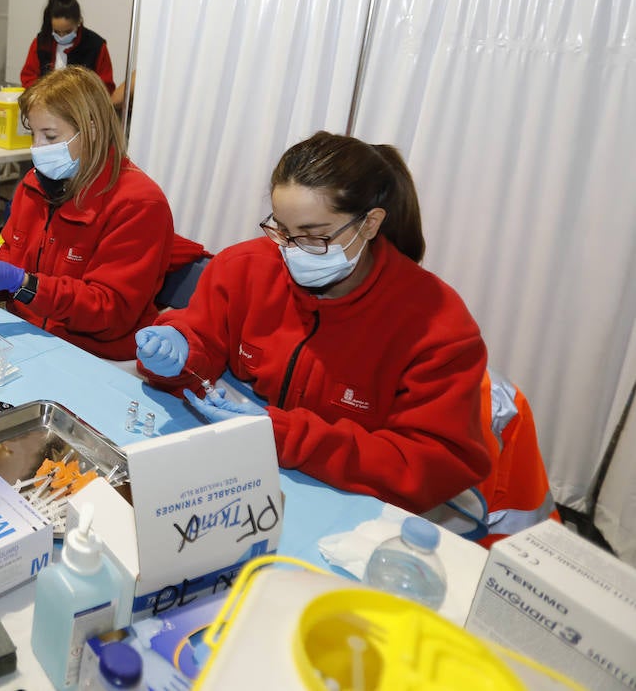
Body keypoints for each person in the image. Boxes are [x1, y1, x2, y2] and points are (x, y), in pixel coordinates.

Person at [135, 131, 493, 515]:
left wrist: (286, 436)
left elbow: (433, 464)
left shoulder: (435, 323)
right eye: (282, 231)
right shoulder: (245, 268)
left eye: (313, 236)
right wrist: (182, 347)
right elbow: (205, 338)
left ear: (369, 224)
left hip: (355, 502)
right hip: (250, 476)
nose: (291, 251)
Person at [0, 66, 180, 360]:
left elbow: (109, 311)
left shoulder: (138, 203)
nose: (37, 148)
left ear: (92, 130)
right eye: (33, 135)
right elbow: (17, 257)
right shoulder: (35, 185)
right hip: (28, 336)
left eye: (49, 136)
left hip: (91, 355)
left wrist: (23, 284)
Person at [19, 0, 115, 93]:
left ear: (79, 21)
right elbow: (28, 77)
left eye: (68, 31)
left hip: (82, 107)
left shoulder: (96, 46)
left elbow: (106, 87)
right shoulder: (41, 43)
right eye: (57, 31)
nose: (62, 36)